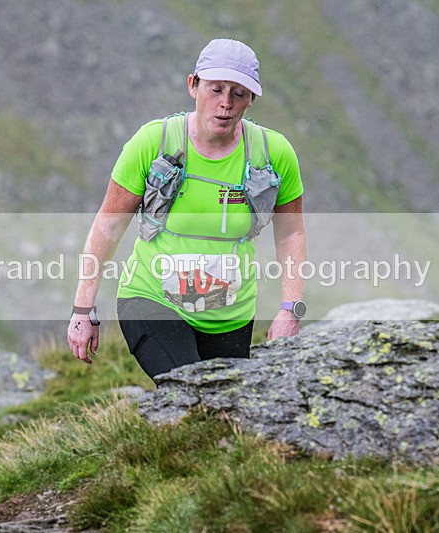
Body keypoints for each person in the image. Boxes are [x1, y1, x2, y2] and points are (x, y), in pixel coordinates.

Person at [67, 38, 306, 379]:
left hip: (230, 315)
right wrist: (82, 309)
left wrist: (290, 309)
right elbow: (107, 226)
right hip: (151, 300)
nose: (225, 104)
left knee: (223, 413)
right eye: (216, 89)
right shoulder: (153, 142)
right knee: (191, 389)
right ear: (193, 86)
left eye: (238, 93)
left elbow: (292, 232)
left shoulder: (274, 153)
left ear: (251, 100)